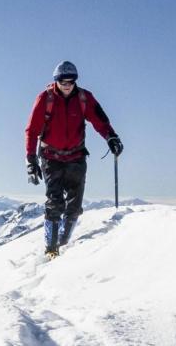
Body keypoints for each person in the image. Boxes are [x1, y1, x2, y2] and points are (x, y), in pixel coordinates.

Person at [25, 60, 123, 256]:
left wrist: (111, 137)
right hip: (51, 157)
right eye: (63, 82)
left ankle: (64, 241)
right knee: (54, 202)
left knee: (75, 204)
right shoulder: (45, 99)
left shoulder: (84, 98)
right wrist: (31, 160)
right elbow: (32, 130)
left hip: (76, 156)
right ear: (56, 81)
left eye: (71, 81)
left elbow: (100, 120)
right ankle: (51, 249)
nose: (68, 85)